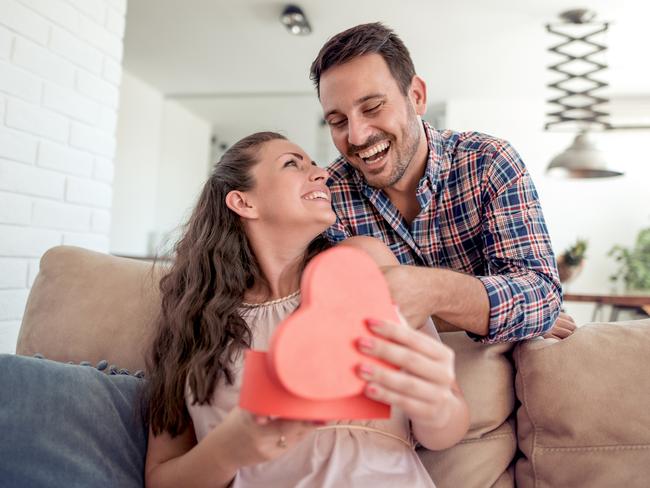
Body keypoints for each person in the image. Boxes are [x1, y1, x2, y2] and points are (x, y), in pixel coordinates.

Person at [144, 132, 470, 488]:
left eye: (313, 164)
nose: (321, 173)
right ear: (243, 202)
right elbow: (160, 478)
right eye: (292, 164)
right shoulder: (193, 320)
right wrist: (227, 450)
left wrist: (437, 404)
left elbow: (447, 431)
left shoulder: (363, 264)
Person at [310, 22, 576, 343]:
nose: (356, 135)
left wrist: (430, 290)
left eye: (372, 107)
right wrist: (490, 311)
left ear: (417, 96)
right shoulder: (327, 198)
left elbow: (542, 298)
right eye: (338, 121)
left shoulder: (488, 161)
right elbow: (344, 316)